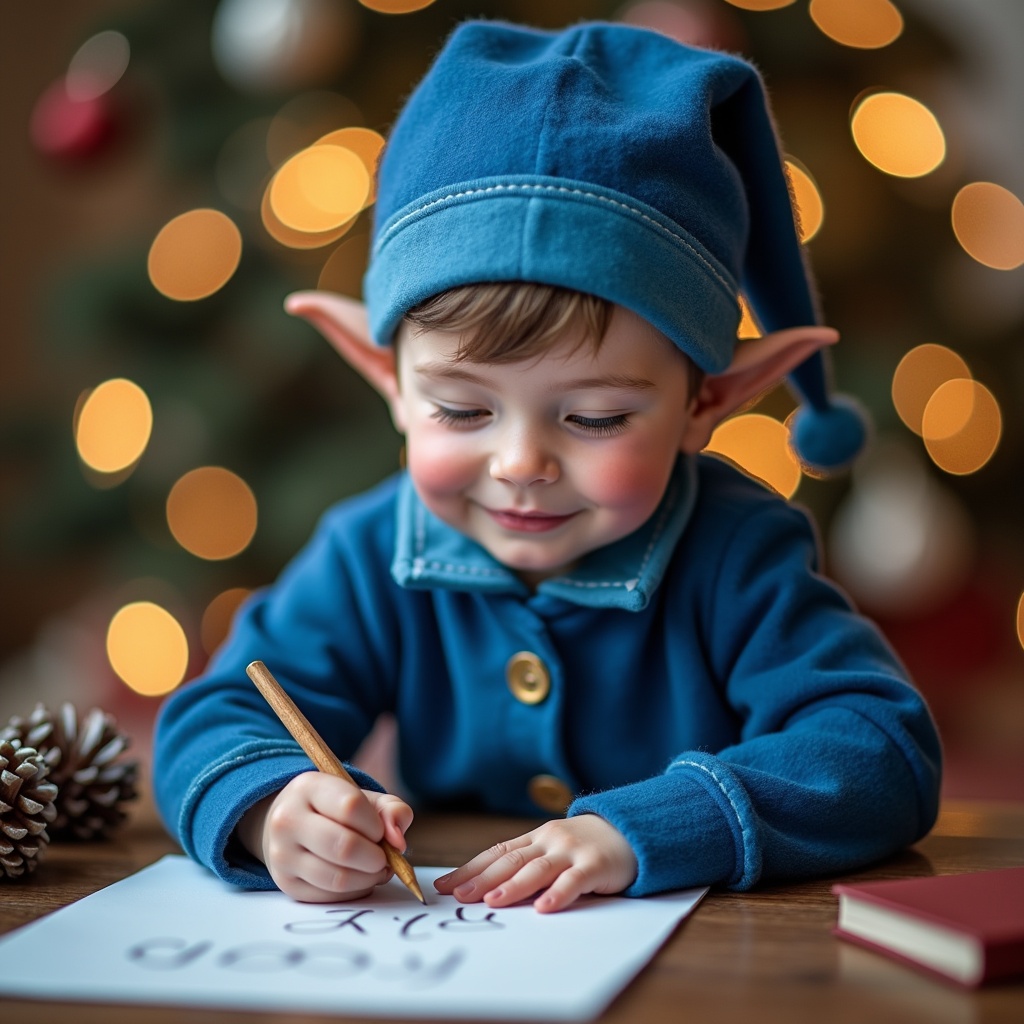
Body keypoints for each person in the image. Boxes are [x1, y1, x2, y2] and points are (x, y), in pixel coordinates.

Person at [153, 20, 942, 914]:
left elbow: (879, 749)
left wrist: (646, 830)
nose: (522, 463)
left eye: (595, 416)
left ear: (708, 403)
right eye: (461, 409)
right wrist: (271, 810)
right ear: (389, 382)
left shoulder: (737, 555)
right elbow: (212, 719)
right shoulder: (371, 551)